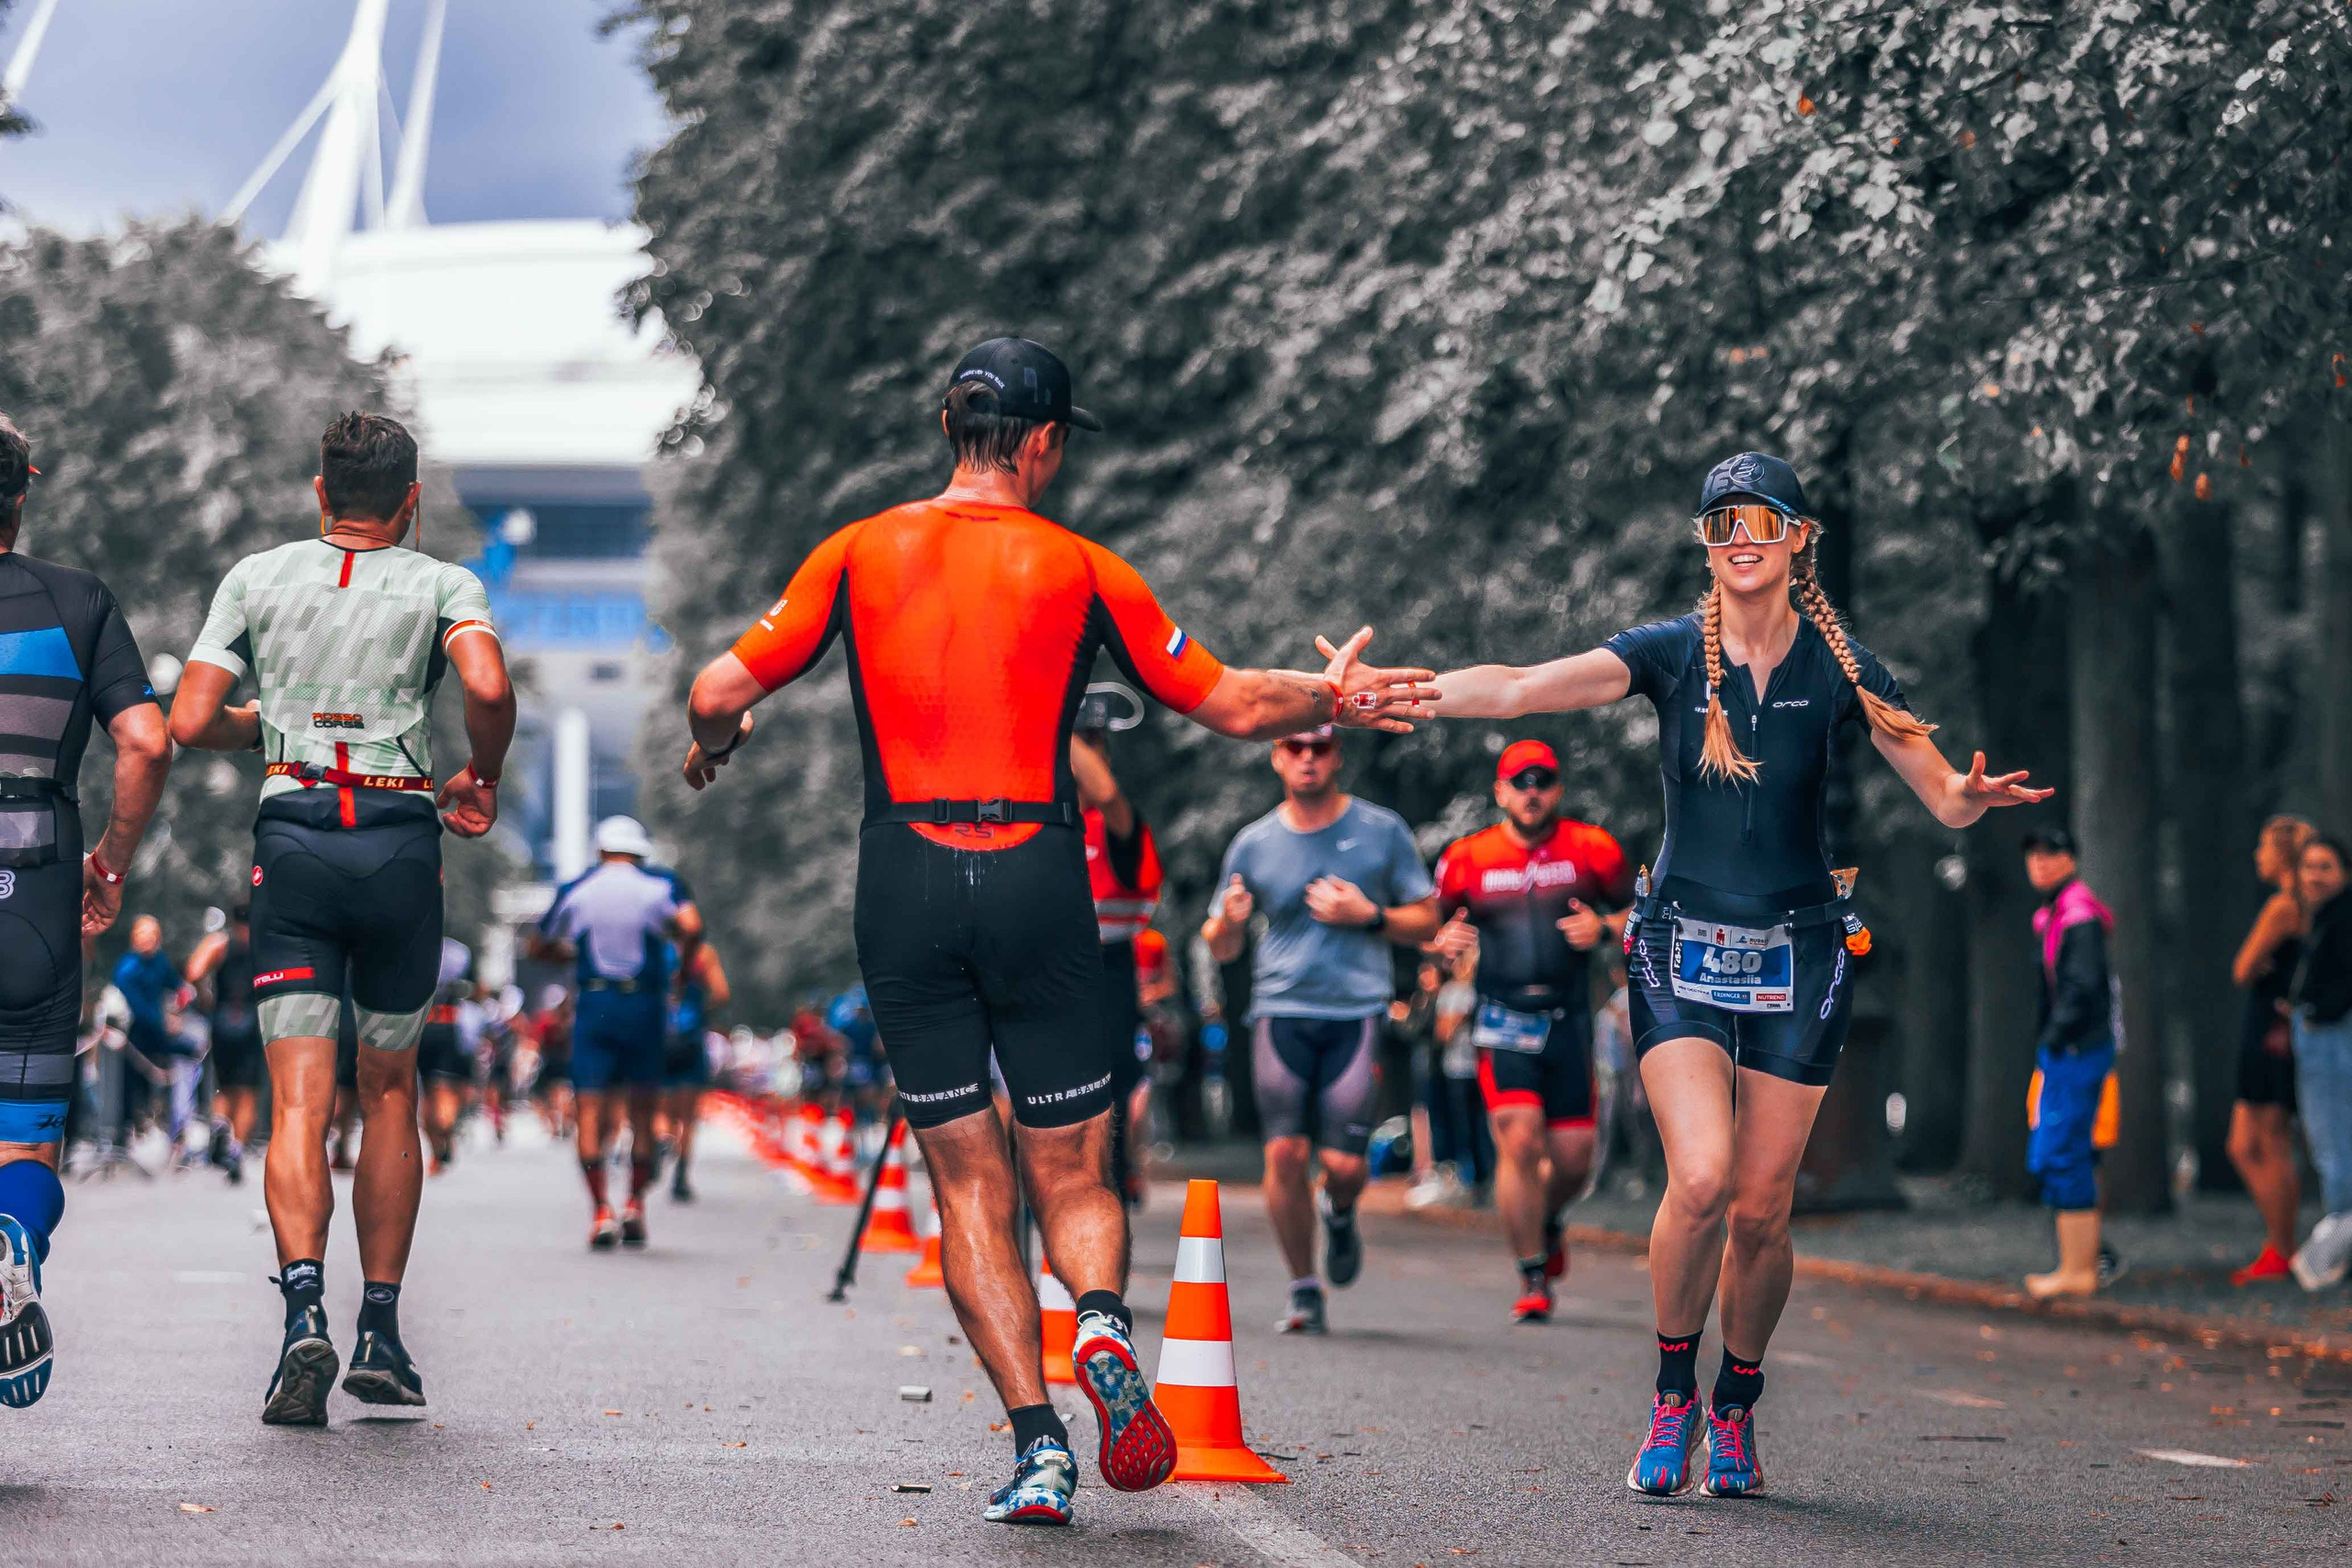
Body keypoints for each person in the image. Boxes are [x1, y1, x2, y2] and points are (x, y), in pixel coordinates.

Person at [679, 336, 1429, 1526]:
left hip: (907, 877)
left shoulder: (857, 550)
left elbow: (718, 691)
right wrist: (1336, 694)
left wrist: (718, 748)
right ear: (1043, 443)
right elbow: (1233, 701)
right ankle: (1103, 1326)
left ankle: (1037, 1446)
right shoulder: (1082, 566)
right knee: (1071, 1163)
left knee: (969, 1181)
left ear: (948, 428)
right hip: (1035, 866)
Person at [1397, 451, 2049, 1499]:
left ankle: (1736, 1404)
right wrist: (1413, 692)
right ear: (1707, 548)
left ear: (1798, 538)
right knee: (1697, 1182)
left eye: (1760, 520)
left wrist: (1971, 797)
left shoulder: (1844, 668)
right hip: (1680, 950)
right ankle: (1671, 1398)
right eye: (1719, 524)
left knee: (1760, 1210)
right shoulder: (1666, 657)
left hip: (1801, 951)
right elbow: (1522, 685)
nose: (1740, 537)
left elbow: (1941, 798)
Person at [170, 411, 514, 1426]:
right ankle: (382, 1330)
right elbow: (487, 683)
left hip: (297, 842)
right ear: (409, 502)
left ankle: (302, 1319)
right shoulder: (446, 583)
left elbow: (189, 720)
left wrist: (275, 721)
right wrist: (481, 773)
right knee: (391, 1090)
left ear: (321, 493)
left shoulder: (257, 577)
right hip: (401, 843)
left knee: (298, 1105)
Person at [0, 412, 171, 1410]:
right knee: (24, 1142)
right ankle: (13, 1242)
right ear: (25, 490)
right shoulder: (77, 602)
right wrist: (110, 859)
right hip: (38, 887)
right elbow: (146, 743)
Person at [1201, 725, 1441, 1336]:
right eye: (1295, 746)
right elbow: (1222, 946)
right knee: (1284, 1151)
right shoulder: (1252, 842)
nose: (1308, 757)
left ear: (1338, 755)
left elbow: (1427, 920)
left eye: (1321, 747)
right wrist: (1225, 925)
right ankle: (1304, 1287)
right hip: (1280, 1011)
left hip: (1355, 1013)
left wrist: (1370, 915)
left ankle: (1339, 1210)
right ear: (1278, 755)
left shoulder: (1381, 829)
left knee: (1344, 1165)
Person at [1432, 739, 1634, 1323]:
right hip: (1501, 1021)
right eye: (1519, 782)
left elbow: (1640, 912)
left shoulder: (1592, 848)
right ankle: (1531, 1274)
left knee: (1573, 1161)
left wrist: (1602, 927)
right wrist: (1441, 945)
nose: (1531, 792)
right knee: (1519, 1141)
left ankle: (1546, 1220)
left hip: (1570, 1020)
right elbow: (1433, 923)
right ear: (1500, 792)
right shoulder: (1469, 856)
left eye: (1542, 781)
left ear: (1558, 789)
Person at [527, 816, 701, 1248]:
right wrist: (682, 970)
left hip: (595, 1004)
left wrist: (569, 953)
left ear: (601, 851)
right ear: (640, 852)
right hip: (644, 1004)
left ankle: (601, 1210)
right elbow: (692, 927)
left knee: (589, 1109)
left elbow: (537, 942)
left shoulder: (578, 886)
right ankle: (635, 1206)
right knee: (642, 1110)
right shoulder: (662, 885)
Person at [2017, 828, 2123, 1300]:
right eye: (2034, 855)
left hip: (2076, 1050)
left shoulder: (2078, 916)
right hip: (2069, 1049)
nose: (2040, 863)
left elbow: (2084, 989)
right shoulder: (2058, 913)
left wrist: (2055, 1038)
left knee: (2063, 1152)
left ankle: (2082, 1269)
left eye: (2051, 854)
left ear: (2072, 860)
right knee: (2055, 1152)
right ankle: (2077, 1264)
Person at [1072, 683, 1161, 1212]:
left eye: (1091, 743)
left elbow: (1106, 793)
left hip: (1108, 967)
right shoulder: (1035, 819)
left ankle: (1111, 1185)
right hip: (1043, 969)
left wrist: (1058, 722)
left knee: (1113, 1085)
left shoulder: (1116, 821)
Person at [2227, 816, 2314, 1285]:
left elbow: (2242, 967)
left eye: (2263, 847)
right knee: (2242, 1145)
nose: (2257, 855)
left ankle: (2283, 1250)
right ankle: (2280, 1245)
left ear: (2281, 856)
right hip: (2270, 1026)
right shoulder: (2305, 907)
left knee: (2271, 1141)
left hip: (2270, 1031)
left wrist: (2257, 967)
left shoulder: (2283, 906)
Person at [2288, 835, 2352, 1292]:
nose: (2313, 875)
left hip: (2333, 1036)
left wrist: (2319, 1013)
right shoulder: (2326, 917)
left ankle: (2334, 1250)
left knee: (2334, 1141)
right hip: (2323, 1030)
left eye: (2325, 866)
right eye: (2308, 866)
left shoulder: (2345, 916)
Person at [187, 904, 265, 1185]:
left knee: (224, 1084)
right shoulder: (263, 946)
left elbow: (194, 970)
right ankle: (236, 1149)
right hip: (251, 1018)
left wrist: (205, 995)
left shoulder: (219, 944)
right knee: (247, 1093)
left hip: (221, 1020)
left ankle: (220, 1125)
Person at [110, 915, 191, 1146]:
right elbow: (137, 1007)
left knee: (183, 1062)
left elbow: (176, 984)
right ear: (134, 937)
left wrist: (183, 998)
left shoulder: (160, 961)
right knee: (130, 1085)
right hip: (134, 1035)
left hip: (158, 1033)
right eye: (143, 934)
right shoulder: (127, 967)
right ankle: (125, 1133)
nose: (148, 939)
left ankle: (174, 1127)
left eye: (152, 934)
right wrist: (164, 1022)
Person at [662, 937, 729, 1202]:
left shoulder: (657, 948)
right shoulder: (704, 953)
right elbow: (722, 993)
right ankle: (680, 1175)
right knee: (688, 1117)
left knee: (660, 1109)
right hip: (690, 1040)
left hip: (660, 1039)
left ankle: (663, 1137)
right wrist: (699, 1007)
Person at [417, 939, 476, 1176]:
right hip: (449, 1023)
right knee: (444, 1090)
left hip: (420, 1024)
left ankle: (436, 1149)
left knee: (427, 1095)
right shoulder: (459, 952)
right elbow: (474, 988)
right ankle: (446, 1133)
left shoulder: (415, 945)